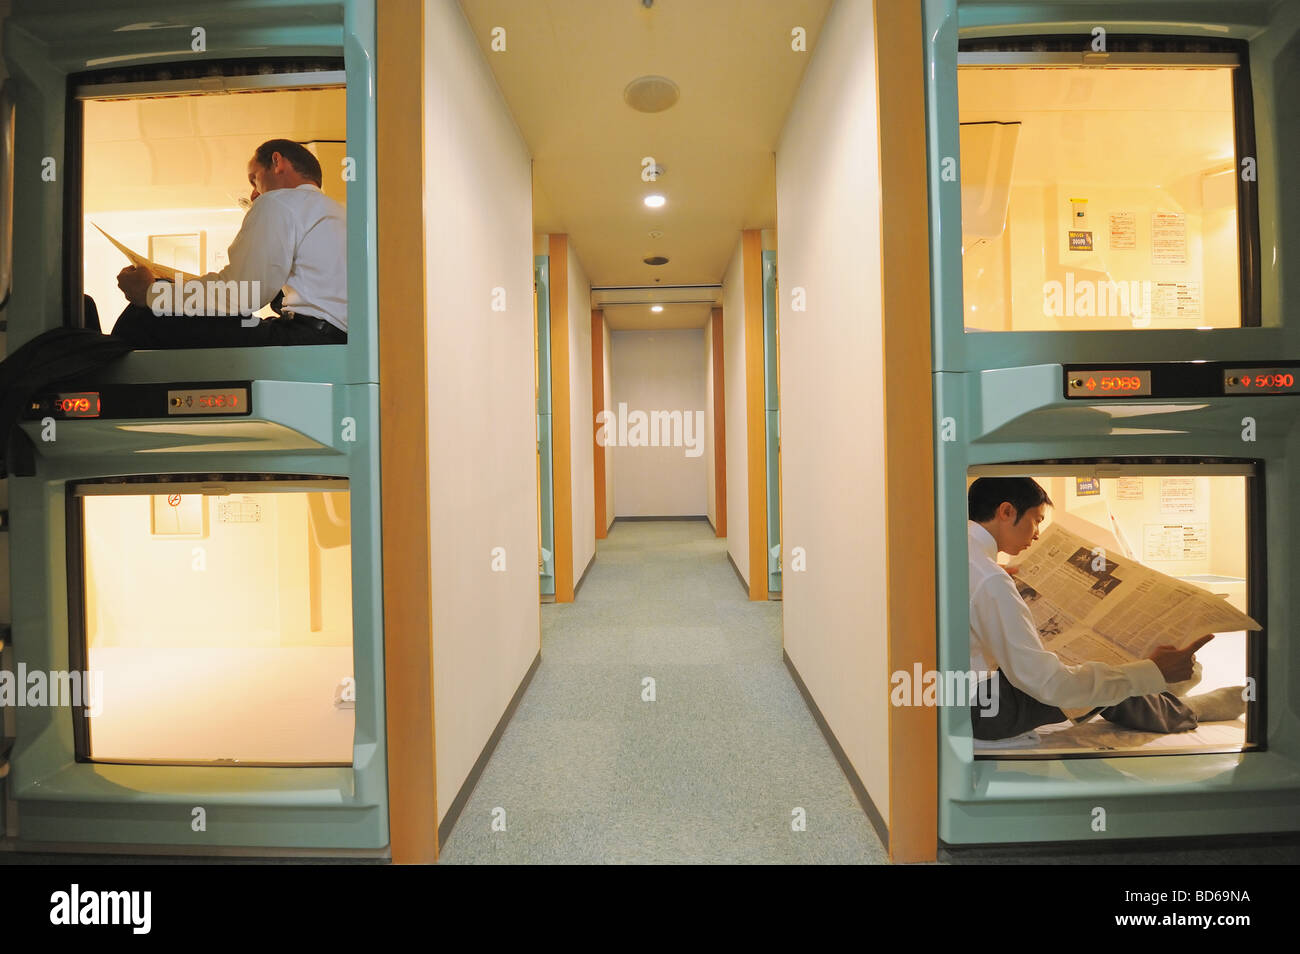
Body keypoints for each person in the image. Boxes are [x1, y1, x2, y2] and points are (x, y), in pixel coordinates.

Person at [967, 476, 1246, 740]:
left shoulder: (960, 551)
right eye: (1036, 521)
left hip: (954, 693)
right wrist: (1148, 672)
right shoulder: (991, 579)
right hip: (982, 709)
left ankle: (1156, 682)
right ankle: (1177, 699)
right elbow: (1050, 684)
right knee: (1092, 669)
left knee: (1091, 665)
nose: (1037, 534)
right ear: (1006, 511)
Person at [109, 139, 346, 348]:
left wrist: (151, 292)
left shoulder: (280, 201)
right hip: (333, 337)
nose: (254, 195)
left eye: (254, 180)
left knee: (145, 317)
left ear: (277, 162)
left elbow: (243, 294)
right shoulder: (337, 213)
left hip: (305, 338)